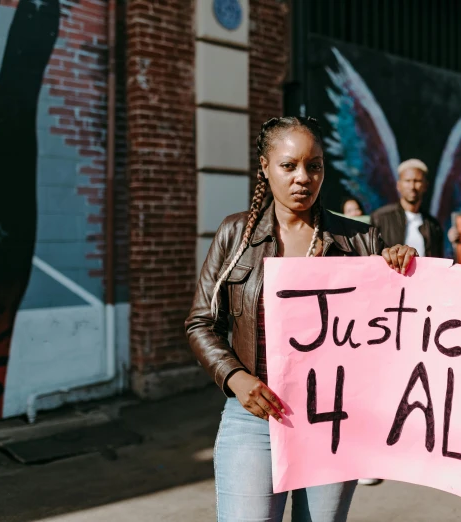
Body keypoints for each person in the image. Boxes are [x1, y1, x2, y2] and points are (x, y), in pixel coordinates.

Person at [185, 116, 417, 522]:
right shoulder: (235, 235)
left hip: (334, 420)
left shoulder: (360, 240)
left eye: (315, 166)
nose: (303, 178)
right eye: (288, 165)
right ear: (264, 167)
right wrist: (236, 379)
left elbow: (393, 328)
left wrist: (403, 269)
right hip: (253, 415)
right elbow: (201, 322)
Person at [371, 159, 444, 257]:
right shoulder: (380, 217)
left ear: (426, 185)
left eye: (417, 181)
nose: (412, 186)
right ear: (398, 185)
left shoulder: (433, 225)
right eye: (407, 181)